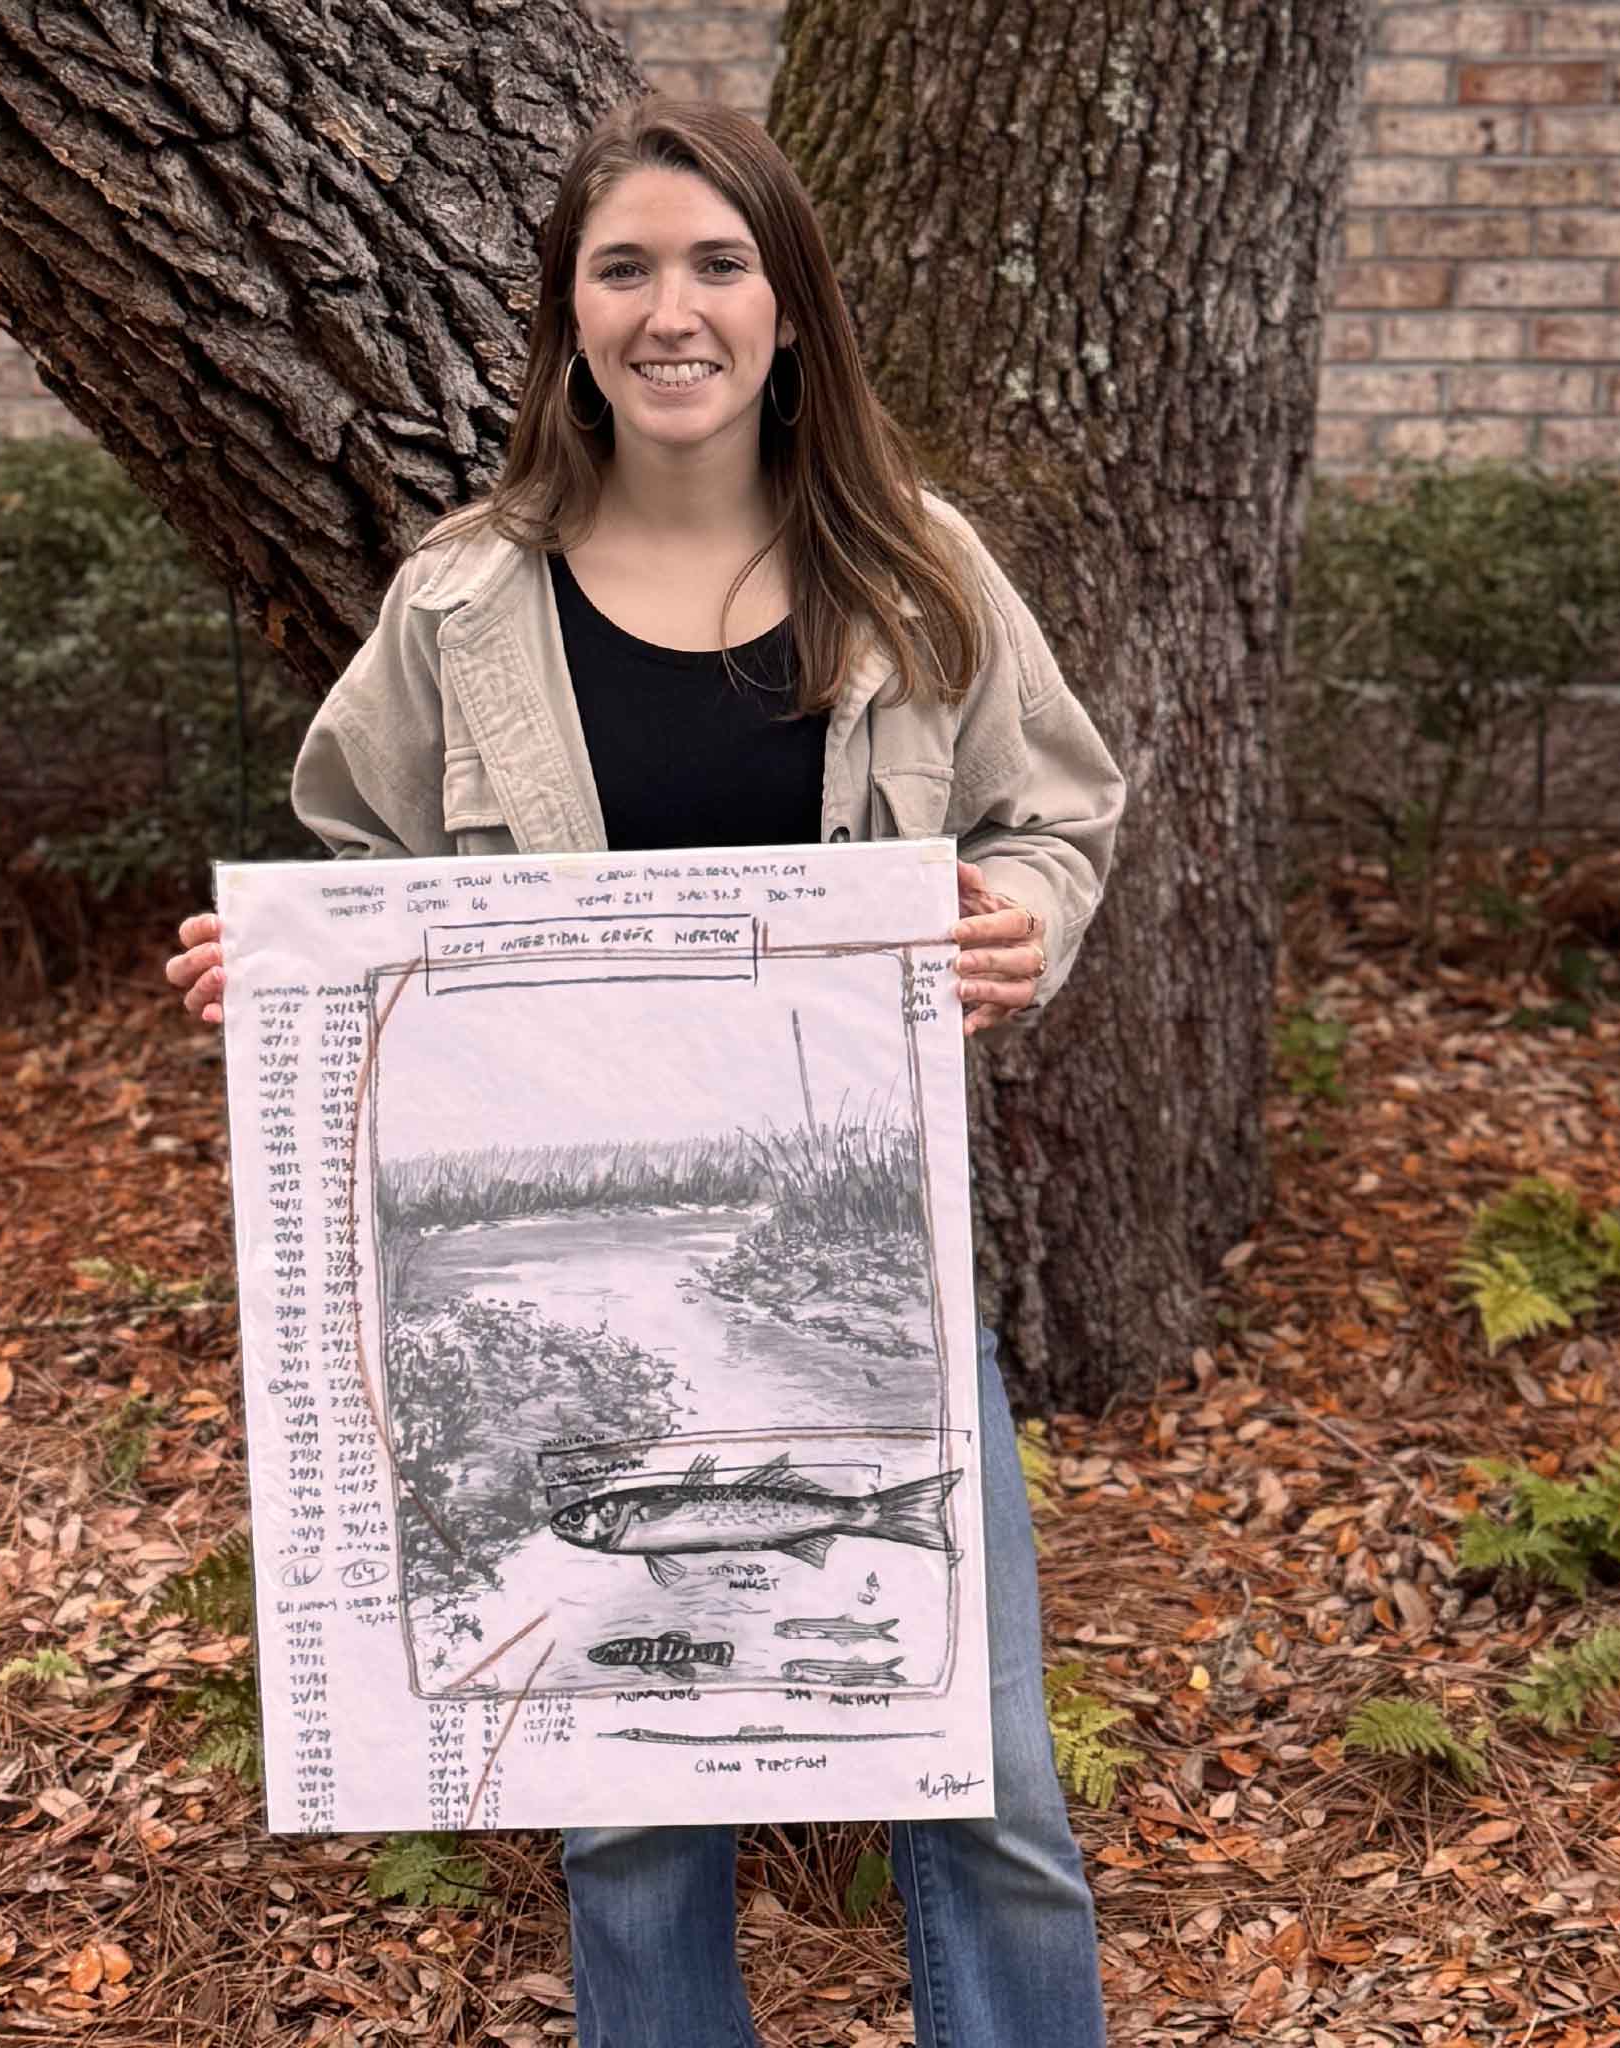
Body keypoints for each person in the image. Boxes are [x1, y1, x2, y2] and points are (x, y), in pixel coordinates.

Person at [167, 93, 1124, 2048]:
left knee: (994, 1792)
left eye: (715, 263)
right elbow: (360, 872)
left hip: (871, 1283)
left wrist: (1027, 917)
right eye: (624, 268)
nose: (669, 308)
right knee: (625, 1817)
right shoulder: (460, 598)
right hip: (570, 1311)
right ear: (566, 313)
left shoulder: (916, 569)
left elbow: (1054, 812)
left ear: (786, 309)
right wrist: (276, 982)